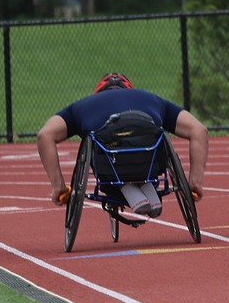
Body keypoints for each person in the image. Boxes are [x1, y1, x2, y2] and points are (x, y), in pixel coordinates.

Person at [37, 72, 208, 216]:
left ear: (99, 93)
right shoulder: (152, 99)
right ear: (130, 90)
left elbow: (45, 135)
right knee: (149, 143)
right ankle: (145, 185)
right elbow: (199, 130)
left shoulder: (81, 106)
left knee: (99, 144)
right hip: (150, 163)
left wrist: (58, 187)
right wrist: (194, 183)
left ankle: (126, 187)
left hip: (110, 167)